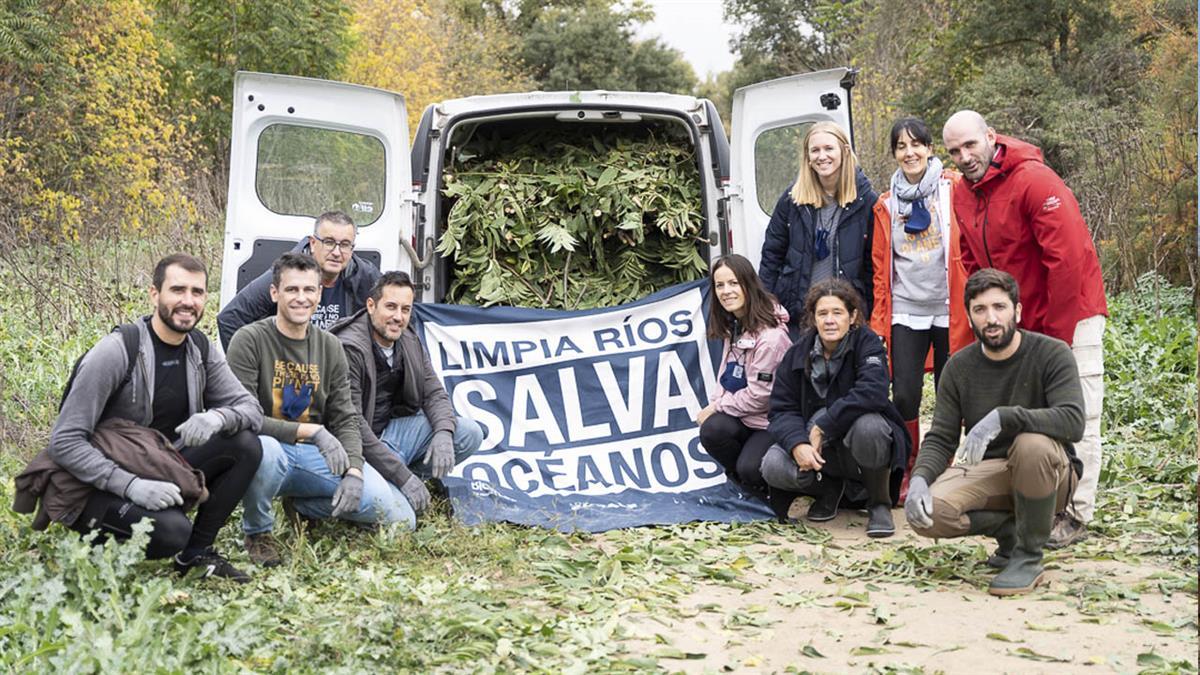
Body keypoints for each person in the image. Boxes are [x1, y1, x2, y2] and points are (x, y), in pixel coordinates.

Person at [15, 254, 264, 581]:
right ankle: (98, 540)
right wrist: (131, 486)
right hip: (95, 481)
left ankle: (196, 555)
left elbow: (251, 411)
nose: (187, 301)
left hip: (159, 462)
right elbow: (64, 441)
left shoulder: (200, 349)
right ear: (154, 294)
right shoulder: (117, 351)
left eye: (197, 292)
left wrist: (217, 418)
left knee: (245, 444)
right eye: (177, 290)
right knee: (171, 533)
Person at [942, 110, 1106, 549]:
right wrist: (987, 319)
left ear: (991, 137)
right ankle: (1035, 504)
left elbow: (1067, 261)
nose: (964, 156)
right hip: (1015, 318)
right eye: (954, 151)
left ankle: (1075, 512)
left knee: (1079, 412)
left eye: (970, 145)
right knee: (1028, 413)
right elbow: (972, 262)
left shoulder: (1036, 181)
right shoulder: (962, 193)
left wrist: (1057, 336)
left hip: (1068, 313)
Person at [227, 253, 414, 567]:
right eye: (292, 290)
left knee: (400, 517)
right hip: (266, 452)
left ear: (319, 294)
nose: (302, 298)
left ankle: (303, 507)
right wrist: (311, 432)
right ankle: (258, 532)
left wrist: (354, 470)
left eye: (309, 290)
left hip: (316, 454)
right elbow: (244, 419)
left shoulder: (330, 346)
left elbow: (346, 416)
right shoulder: (249, 340)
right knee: (266, 451)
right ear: (275, 293)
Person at [905, 269, 1084, 596]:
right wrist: (919, 478)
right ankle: (1011, 532)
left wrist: (1005, 417)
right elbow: (942, 437)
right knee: (926, 515)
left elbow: (1073, 421)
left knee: (1031, 445)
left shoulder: (1051, 353)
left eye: (1000, 307)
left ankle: (1029, 556)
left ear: (1017, 310)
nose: (991, 318)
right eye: (980, 310)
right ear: (970, 317)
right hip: (993, 472)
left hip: (1050, 472)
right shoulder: (958, 367)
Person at [869, 117, 973, 502]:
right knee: (906, 394)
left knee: (951, 393)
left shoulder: (954, 189)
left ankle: (943, 465)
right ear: (894, 154)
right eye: (901, 146)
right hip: (907, 311)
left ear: (930, 148)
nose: (909, 153)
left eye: (917, 144)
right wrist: (880, 320)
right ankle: (911, 467)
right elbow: (882, 268)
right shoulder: (885, 204)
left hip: (951, 309)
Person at [759, 278, 909, 537]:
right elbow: (782, 409)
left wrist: (823, 425)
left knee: (870, 426)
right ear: (813, 319)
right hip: (818, 448)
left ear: (852, 317)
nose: (830, 320)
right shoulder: (797, 353)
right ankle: (827, 488)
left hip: (855, 442)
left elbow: (873, 392)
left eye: (837, 312)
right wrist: (797, 444)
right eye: (823, 313)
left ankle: (878, 503)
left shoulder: (868, 343)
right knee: (772, 464)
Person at [330, 271, 483, 515]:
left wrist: (443, 433)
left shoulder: (409, 337)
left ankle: (394, 479)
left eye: (405, 309)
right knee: (403, 521)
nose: (398, 317)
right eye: (390, 307)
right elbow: (353, 425)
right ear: (371, 306)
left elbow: (434, 393)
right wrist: (403, 477)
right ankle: (311, 505)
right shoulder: (348, 348)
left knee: (469, 433)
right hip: (359, 448)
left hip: (395, 435)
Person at [759, 121, 878, 335]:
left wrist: (869, 312)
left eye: (828, 148)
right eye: (815, 150)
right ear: (808, 157)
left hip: (846, 315)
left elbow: (874, 264)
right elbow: (772, 255)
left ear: (844, 151)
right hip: (800, 314)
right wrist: (768, 303)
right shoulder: (791, 200)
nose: (822, 156)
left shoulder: (866, 201)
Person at [694, 254, 792, 508]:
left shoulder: (771, 338)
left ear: (748, 284)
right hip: (744, 416)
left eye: (733, 283)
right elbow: (725, 375)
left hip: (772, 422)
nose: (726, 291)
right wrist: (716, 402)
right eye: (719, 285)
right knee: (713, 430)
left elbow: (761, 396)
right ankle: (745, 485)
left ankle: (767, 486)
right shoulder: (736, 324)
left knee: (750, 466)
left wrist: (717, 407)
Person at [217, 211, 381, 349]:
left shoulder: (364, 276)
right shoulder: (287, 272)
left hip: (338, 373)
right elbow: (230, 319)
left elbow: (401, 317)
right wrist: (254, 371)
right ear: (313, 243)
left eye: (345, 244)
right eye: (329, 242)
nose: (337, 252)